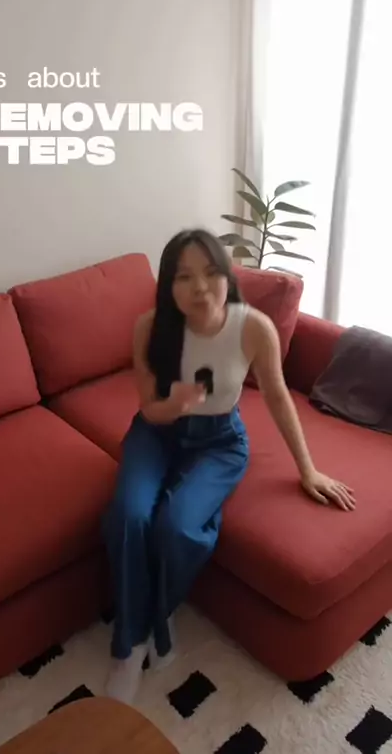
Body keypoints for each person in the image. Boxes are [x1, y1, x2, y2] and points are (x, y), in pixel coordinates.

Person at [102, 227, 355, 704]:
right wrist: (175, 404)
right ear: (167, 285)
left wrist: (307, 469)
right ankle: (129, 644)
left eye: (210, 273)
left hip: (219, 443)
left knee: (178, 527)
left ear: (227, 276)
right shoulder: (149, 328)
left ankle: (159, 616)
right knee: (129, 515)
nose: (199, 287)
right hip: (156, 433)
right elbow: (150, 409)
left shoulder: (253, 328)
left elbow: (278, 396)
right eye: (183, 277)